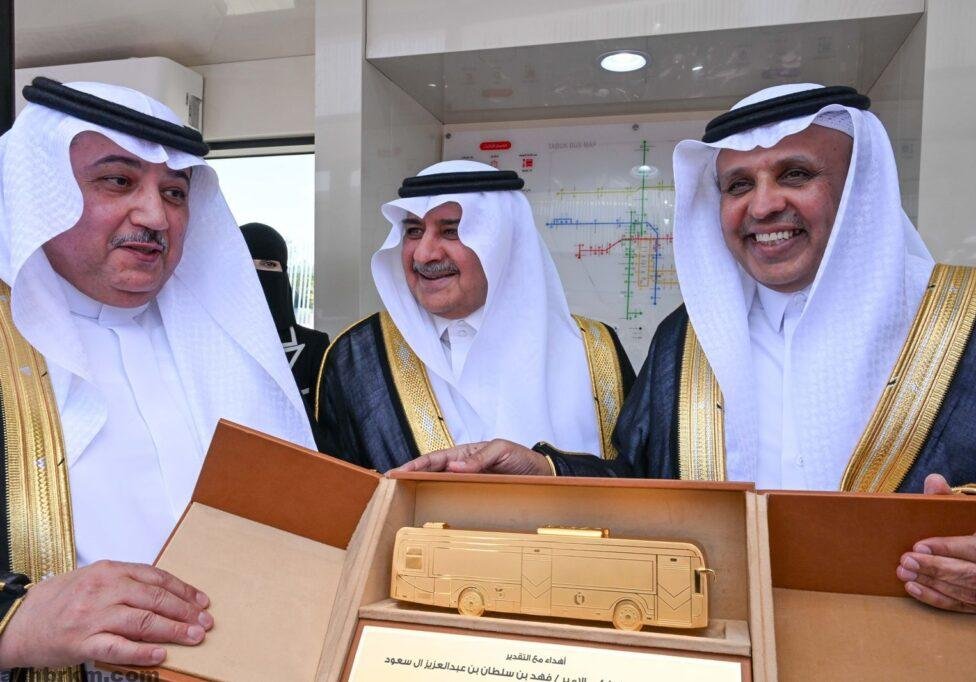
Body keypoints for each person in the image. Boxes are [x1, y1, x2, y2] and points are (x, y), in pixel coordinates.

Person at [400, 85, 976, 675]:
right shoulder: (686, 336)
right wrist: (547, 469)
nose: (763, 205)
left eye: (795, 174)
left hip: (906, 661)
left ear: (857, 186)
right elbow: (647, 486)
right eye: (738, 185)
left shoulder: (967, 316)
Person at [0, 78, 314, 677]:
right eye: (117, 181)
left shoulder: (220, 338)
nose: (156, 216)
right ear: (39, 191)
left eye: (174, 193)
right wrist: (14, 623)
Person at [315, 160, 635, 471]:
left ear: (501, 242)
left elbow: (637, 478)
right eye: (413, 231)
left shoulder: (595, 351)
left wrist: (549, 467)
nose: (425, 254)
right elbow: (333, 490)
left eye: (451, 232)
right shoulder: (356, 356)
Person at [241, 222, 329, 425]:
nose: (259, 271)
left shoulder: (314, 346)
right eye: (247, 263)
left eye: (269, 264)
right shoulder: (213, 342)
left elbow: (326, 425)